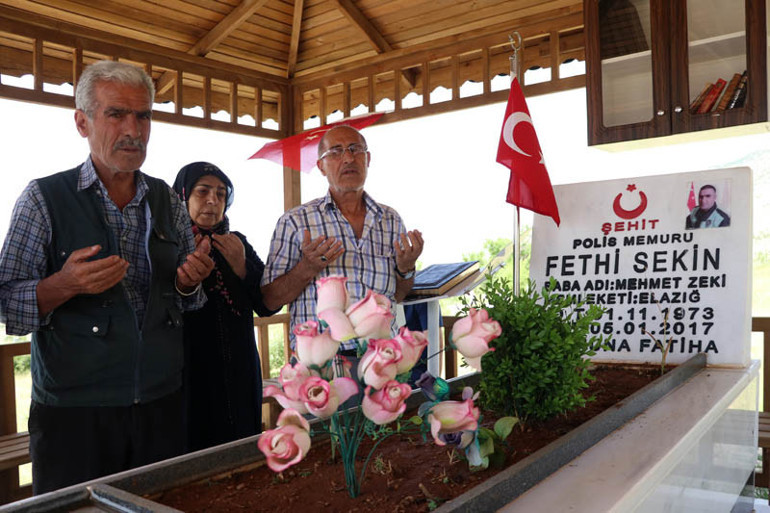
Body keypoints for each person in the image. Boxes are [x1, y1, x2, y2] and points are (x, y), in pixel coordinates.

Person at [0, 60, 214, 495]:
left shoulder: (167, 201)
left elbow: (186, 299)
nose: (133, 129)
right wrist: (65, 285)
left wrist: (190, 282)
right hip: (75, 415)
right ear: (82, 122)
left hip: (161, 404)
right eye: (116, 114)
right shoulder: (43, 199)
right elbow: (6, 300)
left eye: (144, 115)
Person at [261, 125, 424, 356]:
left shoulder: (390, 220)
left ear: (367, 159)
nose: (348, 158)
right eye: (336, 152)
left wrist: (406, 268)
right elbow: (269, 301)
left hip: (382, 358)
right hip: (321, 365)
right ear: (321, 166)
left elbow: (396, 296)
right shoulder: (295, 221)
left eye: (355, 149)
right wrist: (307, 268)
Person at [172, 162, 277, 451]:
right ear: (182, 196)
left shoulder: (236, 242)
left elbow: (266, 305)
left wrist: (241, 267)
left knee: (242, 446)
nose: (212, 201)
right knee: (194, 451)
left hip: (240, 367)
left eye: (220, 194)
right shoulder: (168, 245)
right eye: (202, 192)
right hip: (189, 370)